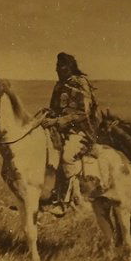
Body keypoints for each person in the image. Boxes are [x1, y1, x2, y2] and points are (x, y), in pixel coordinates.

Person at [41, 52, 101, 212]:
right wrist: (47, 116)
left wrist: (57, 121)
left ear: (70, 67)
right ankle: (42, 197)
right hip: (60, 129)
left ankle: (63, 202)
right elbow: (55, 108)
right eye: (57, 67)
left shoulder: (80, 83)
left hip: (81, 130)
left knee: (67, 156)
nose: (58, 70)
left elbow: (83, 113)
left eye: (62, 66)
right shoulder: (59, 84)